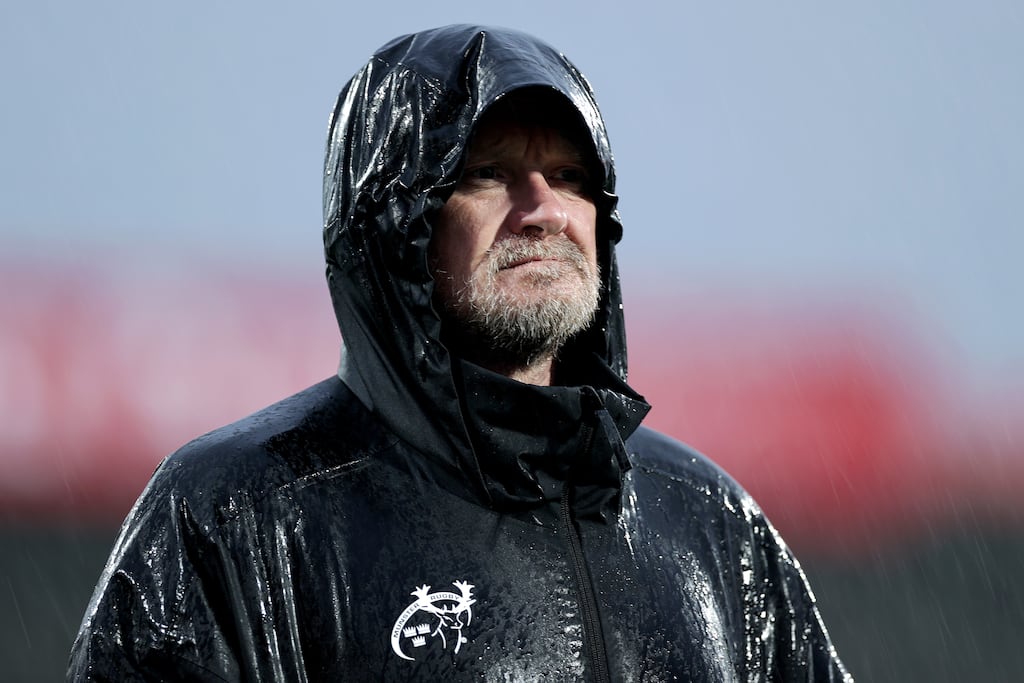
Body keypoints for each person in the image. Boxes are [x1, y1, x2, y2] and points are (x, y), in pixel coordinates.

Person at [68, 24, 851, 681]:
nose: (543, 209)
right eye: (488, 174)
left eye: (571, 177)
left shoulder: (714, 526)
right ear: (396, 228)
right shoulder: (236, 516)